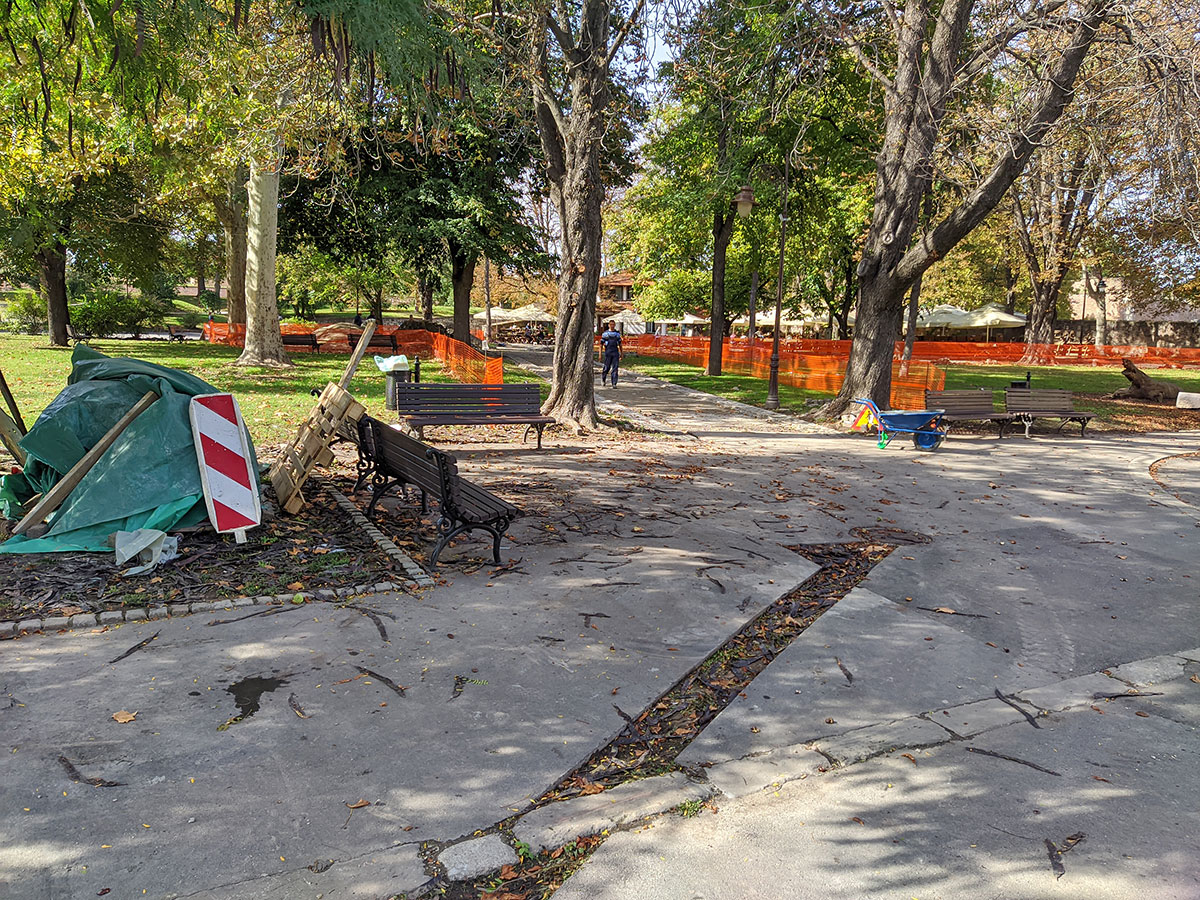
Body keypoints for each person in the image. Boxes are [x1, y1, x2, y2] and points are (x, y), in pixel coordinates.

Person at [600, 321, 622, 387]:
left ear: (615, 325)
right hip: (608, 352)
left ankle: (614, 383)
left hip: (615, 352)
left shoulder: (617, 334)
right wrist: (600, 355)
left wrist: (621, 353)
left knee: (615, 368)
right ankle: (603, 379)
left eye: (613, 324)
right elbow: (601, 345)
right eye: (611, 324)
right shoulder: (605, 334)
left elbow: (620, 344)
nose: (612, 326)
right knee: (606, 367)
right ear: (608, 325)